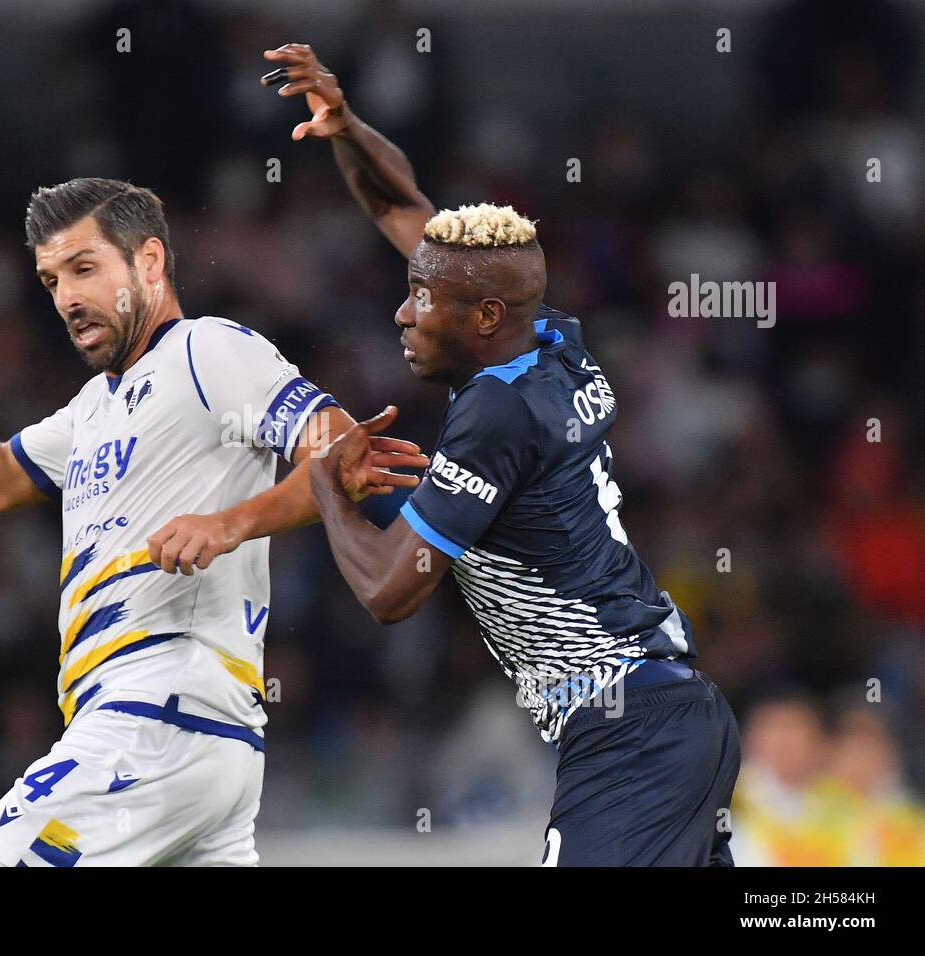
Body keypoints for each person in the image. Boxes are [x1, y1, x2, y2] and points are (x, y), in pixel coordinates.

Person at [0, 177, 426, 865]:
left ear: (149, 261)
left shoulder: (208, 351)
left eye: (84, 269)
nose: (67, 299)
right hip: (191, 739)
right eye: (52, 279)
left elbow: (340, 452)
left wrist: (232, 522)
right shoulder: (91, 408)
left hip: (160, 709)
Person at [262, 42, 741, 866]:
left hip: (628, 730)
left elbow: (388, 591)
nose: (403, 315)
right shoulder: (549, 339)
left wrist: (325, 484)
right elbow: (405, 207)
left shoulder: (496, 410)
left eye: (422, 300)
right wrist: (346, 130)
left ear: (483, 317)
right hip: (668, 714)